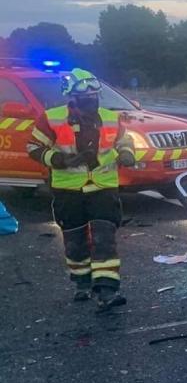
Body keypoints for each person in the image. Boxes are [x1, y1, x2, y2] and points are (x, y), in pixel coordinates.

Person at [26, 68, 136, 311]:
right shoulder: (51, 118)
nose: (91, 101)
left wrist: (127, 153)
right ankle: (82, 283)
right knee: (75, 241)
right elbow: (33, 147)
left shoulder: (109, 117)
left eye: (95, 96)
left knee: (104, 237)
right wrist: (60, 160)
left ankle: (107, 290)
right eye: (86, 98)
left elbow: (124, 141)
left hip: (103, 187)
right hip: (69, 190)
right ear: (72, 98)